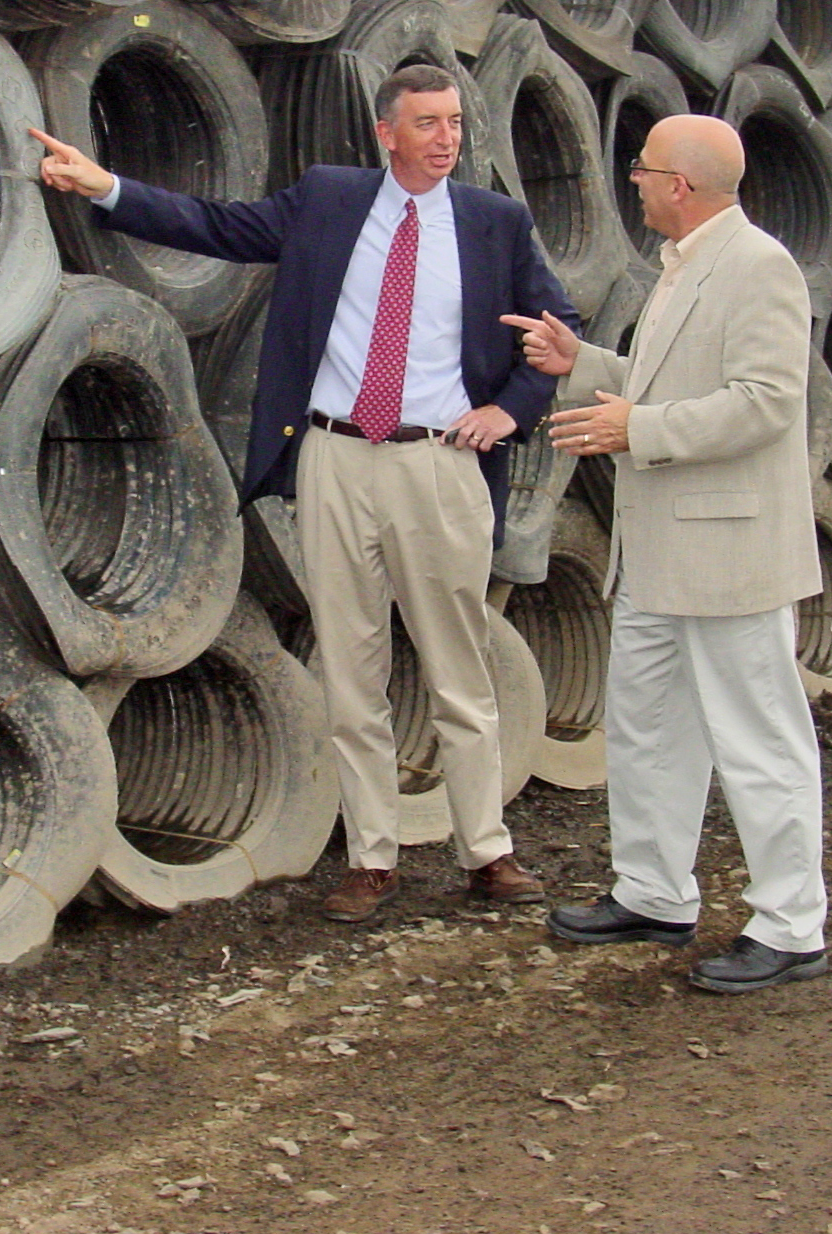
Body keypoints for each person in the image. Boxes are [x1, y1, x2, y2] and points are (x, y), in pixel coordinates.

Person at [31, 63, 579, 922]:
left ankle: (487, 851)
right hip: (335, 459)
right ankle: (372, 858)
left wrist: (510, 410)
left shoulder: (494, 222)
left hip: (440, 465)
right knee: (351, 667)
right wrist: (106, 186)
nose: (447, 138)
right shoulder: (329, 199)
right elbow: (218, 226)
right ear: (386, 133)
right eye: (428, 123)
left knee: (458, 666)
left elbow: (558, 329)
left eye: (455, 122)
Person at [502, 113, 829, 994]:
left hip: (729, 555)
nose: (634, 182)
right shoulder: (683, 265)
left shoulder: (759, 266)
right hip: (659, 554)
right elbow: (667, 384)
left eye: (642, 170)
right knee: (649, 729)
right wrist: (582, 362)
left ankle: (792, 926)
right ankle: (653, 894)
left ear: (679, 185)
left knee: (759, 740)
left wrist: (636, 428)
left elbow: (765, 402)